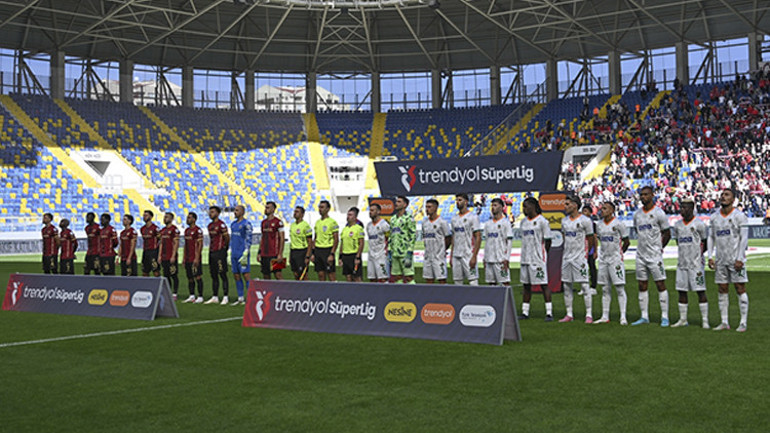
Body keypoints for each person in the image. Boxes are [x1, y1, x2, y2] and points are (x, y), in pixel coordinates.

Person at [708, 189, 749, 332]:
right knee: (722, 289)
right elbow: (711, 237)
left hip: (735, 259)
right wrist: (710, 257)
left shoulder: (740, 216)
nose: (723, 197)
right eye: (722, 195)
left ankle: (743, 322)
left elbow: (744, 238)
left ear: (733, 199)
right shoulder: (714, 217)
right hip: (721, 259)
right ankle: (724, 322)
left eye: (727, 195)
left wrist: (740, 258)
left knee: (740, 288)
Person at [632, 186, 672, 327]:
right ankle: (644, 316)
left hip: (655, 255)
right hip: (641, 255)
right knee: (642, 285)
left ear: (652, 195)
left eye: (646, 195)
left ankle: (665, 317)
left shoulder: (659, 213)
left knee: (660, 284)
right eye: (641, 195)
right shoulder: (637, 214)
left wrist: (660, 248)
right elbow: (638, 231)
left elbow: (667, 233)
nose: (643, 197)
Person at [671, 197, 709, 329]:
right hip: (682, 263)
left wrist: (698, 255)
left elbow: (705, 243)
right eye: (681, 207)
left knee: (700, 291)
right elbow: (678, 242)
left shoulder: (699, 224)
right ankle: (683, 319)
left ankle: (705, 320)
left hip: (696, 264)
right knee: (681, 291)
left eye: (685, 207)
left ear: (692, 208)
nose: (682, 210)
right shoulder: (677, 225)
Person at [560, 196, 596, 323]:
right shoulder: (564, 221)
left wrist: (585, 254)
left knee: (585, 285)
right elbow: (564, 237)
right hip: (566, 258)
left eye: (567, 204)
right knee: (567, 285)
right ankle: (569, 314)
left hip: (579, 259)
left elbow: (591, 238)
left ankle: (589, 314)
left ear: (575, 205)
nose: (565, 206)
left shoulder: (586, 221)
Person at [594, 202, 630, 325]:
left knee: (619, 288)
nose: (601, 210)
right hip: (603, 260)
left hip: (615, 260)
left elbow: (626, 242)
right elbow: (600, 240)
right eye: (601, 208)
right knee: (605, 288)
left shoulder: (619, 224)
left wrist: (619, 255)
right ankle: (605, 316)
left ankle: (623, 316)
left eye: (605, 208)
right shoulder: (599, 225)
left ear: (612, 210)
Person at [518, 197, 553, 321]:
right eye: (523, 206)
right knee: (526, 286)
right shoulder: (523, 222)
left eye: (526, 206)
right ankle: (525, 312)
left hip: (538, 258)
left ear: (533, 206)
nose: (524, 209)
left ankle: (549, 312)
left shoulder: (542, 221)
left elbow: (548, 240)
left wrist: (542, 254)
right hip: (525, 258)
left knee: (543, 285)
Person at [451, 194, 481, 285]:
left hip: (468, 254)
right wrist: (452, 255)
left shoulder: (473, 217)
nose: (457, 202)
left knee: (473, 282)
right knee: (457, 282)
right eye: (456, 200)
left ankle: (476, 299)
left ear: (466, 202)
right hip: (456, 255)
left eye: (460, 200)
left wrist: (474, 256)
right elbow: (453, 237)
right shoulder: (454, 219)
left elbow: (478, 237)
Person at [483, 198, 513, 286]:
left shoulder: (506, 223)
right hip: (489, 259)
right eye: (492, 205)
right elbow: (486, 242)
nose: (493, 208)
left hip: (501, 259)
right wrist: (485, 258)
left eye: (495, 205)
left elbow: (509, 242)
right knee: (491, 284)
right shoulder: (487, 224)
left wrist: (506, 258)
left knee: (505, 284)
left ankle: (507, 300)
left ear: (501, 208)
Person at [422, 198, 452, 284]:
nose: (427, 209)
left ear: (435, 208)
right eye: (426, 207)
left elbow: (448, 238)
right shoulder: (424, 222)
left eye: (429, 207)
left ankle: (443, 297)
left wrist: (442, 250)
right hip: (428, 256)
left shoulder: (442, 222)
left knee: (441, 279)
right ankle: (430, 297)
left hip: (438, 257)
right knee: (428, 279)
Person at [205, 206, 230, 305]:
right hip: (212, 252)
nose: (210, 213)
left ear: (218, 213)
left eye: (212, 212)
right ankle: (215, 296)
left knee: (222, 274)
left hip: (220, 252)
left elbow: (227, 237)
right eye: (210, 212)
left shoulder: (221, 225)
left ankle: (225, 296)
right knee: (213, 274)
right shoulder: (210, 225)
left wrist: (224, 248)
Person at [389, 196, 416, 284]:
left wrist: (410, 251)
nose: (396, 203)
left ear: (405, 205)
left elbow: (412, 235)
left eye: (399, 202)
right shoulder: (393, 218)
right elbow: (391, 234)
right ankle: (399, 295)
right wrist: (389, 249)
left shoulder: (409, 218)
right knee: (397, 277)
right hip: (394, 252)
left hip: (405, 252)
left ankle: (414, 296)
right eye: (396, 201)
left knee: (409, 277)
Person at [311, 200, 338, 281]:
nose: (320, 209)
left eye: (322, 207)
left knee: (331, 275)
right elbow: (315, 238)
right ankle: (323, 293)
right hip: (318, 250)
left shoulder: (332, 222)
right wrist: (313, 253)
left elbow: (336, 239)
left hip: (327, 250)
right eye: (319, 207)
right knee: (320, 274)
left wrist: (332, 254)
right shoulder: (317, 222)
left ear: (328, 209)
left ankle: (334, 293)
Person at [230, 205, 252, 305]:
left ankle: (251, 298)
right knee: (236, 275)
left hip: (242, 253)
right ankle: (240, 298)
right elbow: (232, 239)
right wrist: (229, 251)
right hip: (234, 253)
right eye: (234, 210)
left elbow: (249, 238)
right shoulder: (233, 224)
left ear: (242, 212)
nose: (235, 212)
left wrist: (246, 251)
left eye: (237, 210)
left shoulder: (246, 224)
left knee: (246, 275)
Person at [258, 201, 285, 280]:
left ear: (273, 209)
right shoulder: (263, 222)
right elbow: (262, 238)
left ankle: (285, 292)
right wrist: (259, 252)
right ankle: (270, 292)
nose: (266, 209)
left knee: (278, 275)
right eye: (265, 207)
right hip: (264, 254)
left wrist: (280, 254)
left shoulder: (278, 222)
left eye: (268, 208)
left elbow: (282, 238)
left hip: (274, 253)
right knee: (266, 276)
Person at [182, 212, 204, 304]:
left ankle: (200, 296)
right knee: (189, 277)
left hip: (194, 257)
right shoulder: (186, 231)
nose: (188, 219)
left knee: (197, 276)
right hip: (187, 257)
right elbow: (185, 245)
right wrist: (183, 258)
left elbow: (200, 244)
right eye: (187, 217)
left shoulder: (197, 230)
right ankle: (191, 295)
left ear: (194, 219)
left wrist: (197, 258)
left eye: (189, 218)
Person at [366, 203, 390, 283]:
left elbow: (389, 238)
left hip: (381, 255)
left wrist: (387, 251)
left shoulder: (384, 225)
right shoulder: (368, 225)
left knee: (383, 278)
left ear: (378, 211)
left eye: (372, 210)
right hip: (371, 255)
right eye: (370, 210)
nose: (370, 212)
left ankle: (385, 294)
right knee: (372, 278)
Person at [158, 212, 180, 299]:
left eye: (166, 217)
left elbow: (176, 243)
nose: (164, 218)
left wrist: (173, 256)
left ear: (171, 219)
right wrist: (159, 255)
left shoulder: (174, 229)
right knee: (166, 275)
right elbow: (161, 244)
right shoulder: (162, 231)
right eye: (164, 217)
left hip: (171, 256)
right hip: (164, 256)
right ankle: (168, 292)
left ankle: (175, 293)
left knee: (173, 274)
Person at [339, 207, 364, 282]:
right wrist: (340, 257)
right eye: (348, 214)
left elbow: (361, 243)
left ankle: (361, 292)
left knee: (356, 277)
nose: (348, 216)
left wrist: (358, 257)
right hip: (345, 255)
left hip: (354, 255)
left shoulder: (358, 228)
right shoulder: (344, 229)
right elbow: (342, 243)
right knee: (348, 277)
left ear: (355, 217)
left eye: (350, 215)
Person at [289, 206, 313, 281]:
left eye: (297, 212)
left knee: (303, 274)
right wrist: (290, 255)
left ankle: (307, 291)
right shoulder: (292, 225)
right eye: (294, 211)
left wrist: (307, 256)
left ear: (302, 214)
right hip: (294, 251)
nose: (295, 213)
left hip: (302, 251)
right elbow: (292, 241)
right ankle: (299, 290)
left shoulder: (306, 226)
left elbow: (310, 242)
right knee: (295, 274)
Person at [582, 206, 598, 291]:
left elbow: (595, 238)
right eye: (583, 211)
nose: (584, 213)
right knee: (582, 267)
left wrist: (595, 250)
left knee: (592, 267)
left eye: (586, 211)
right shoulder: (580, 223)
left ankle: (593, 286)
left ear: (590, 213)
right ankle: (584, 286)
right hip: (582, 249)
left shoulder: (592, 224)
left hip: (590, 249)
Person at [140, 210, 161, 277]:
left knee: (155, 271)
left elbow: (160, 240)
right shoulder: (142, 229)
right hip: (145, 252)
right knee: (145, 272)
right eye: (143, 215)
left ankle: (158, 286)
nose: (144, 217)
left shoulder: (155, 228)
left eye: (146, 215)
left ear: (151, 217)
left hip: (153, 252)